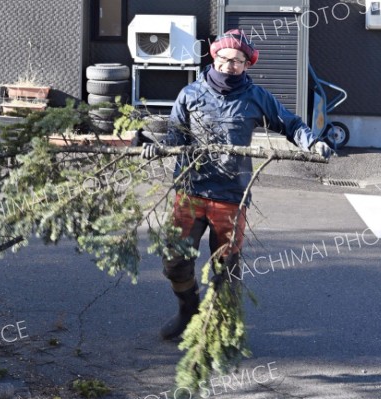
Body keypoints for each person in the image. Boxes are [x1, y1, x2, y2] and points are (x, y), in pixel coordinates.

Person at [140, 29, 332, 340]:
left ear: (246, 64)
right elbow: (175, 137)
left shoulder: (256, 98)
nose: (230, 65)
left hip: (231, 197)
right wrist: (156, 146)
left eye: (238, 61)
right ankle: (188, 310)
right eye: (225, 58)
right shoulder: (190, 94)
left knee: (225, 269)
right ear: (214, 56)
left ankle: (219, 329)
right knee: (175, 261)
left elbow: (290, 123)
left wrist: (313, 143)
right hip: (190, 192)